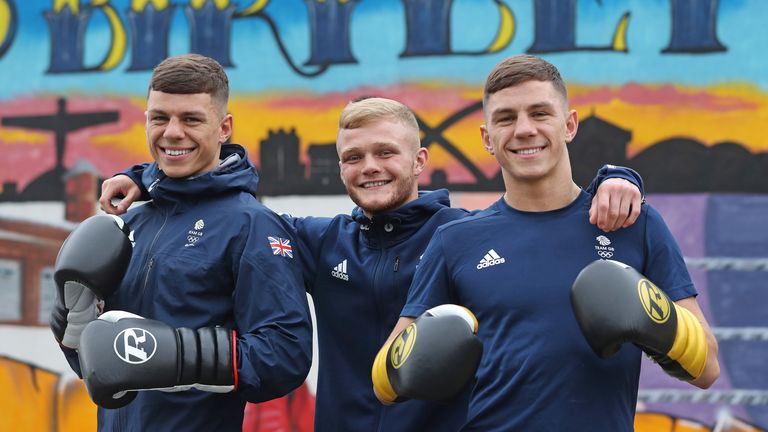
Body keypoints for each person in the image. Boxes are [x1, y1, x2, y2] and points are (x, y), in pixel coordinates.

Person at [100, 96, 644, 431]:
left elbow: (542, 218)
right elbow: (230, 202)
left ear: (420, 161)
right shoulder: (318, 240)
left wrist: (618, 180)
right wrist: (146, 175)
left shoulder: (467, 236)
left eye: (386, 153)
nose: (370, 167)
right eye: (353, 157)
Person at [377, 55, 719, 431]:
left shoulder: (632, 222)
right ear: (487, 138)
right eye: (506, 118)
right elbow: (387, 380)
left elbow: (707, 369)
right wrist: (421, 360)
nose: (524, 129)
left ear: (569, 125)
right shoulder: (455, 240)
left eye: (540, 113)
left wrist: (656, 325)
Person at [53, 54, 312, 431]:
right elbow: (99, 366)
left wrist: (180, 355)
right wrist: (72, 324)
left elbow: (286, 355)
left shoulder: (251, 225)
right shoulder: (129, 223)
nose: (173, 132)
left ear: (224, 128)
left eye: (191, 119)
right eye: (160, 118)